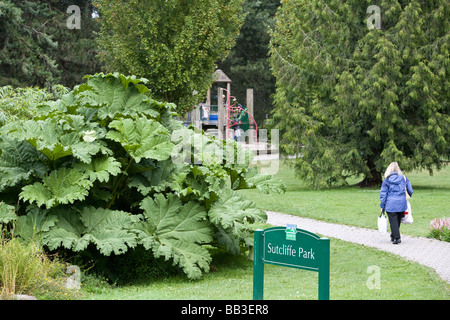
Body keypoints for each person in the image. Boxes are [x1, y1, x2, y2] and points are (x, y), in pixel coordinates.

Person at [380, 162, 413, 244]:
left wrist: (382, 206)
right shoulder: (403, 178)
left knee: (393, 221)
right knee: (397, 221)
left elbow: (383, 194)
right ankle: (393, 236)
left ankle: (397, 238)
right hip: (401, 203)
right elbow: (411, 190)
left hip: (390, 204)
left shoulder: (386, 181)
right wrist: (406, 196)